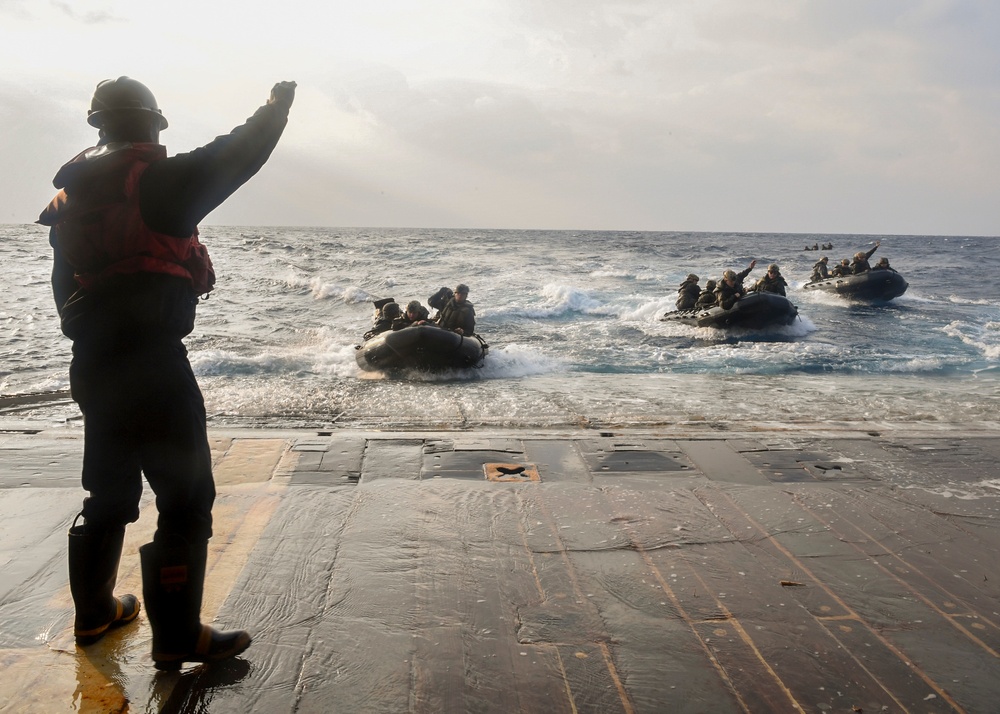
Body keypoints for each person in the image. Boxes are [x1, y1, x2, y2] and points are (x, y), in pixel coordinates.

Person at [38, 76, 295, 670]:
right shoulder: (158, 181)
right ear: (154, 126)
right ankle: (178, 635)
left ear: (97, 126)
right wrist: (276, 107)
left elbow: (63, 291)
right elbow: (237, 155)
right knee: (185, 496)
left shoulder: (74, 196)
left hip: (94, 363)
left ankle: (95, 612)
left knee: (107, 490)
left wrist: (92, 338)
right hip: (153, 361)